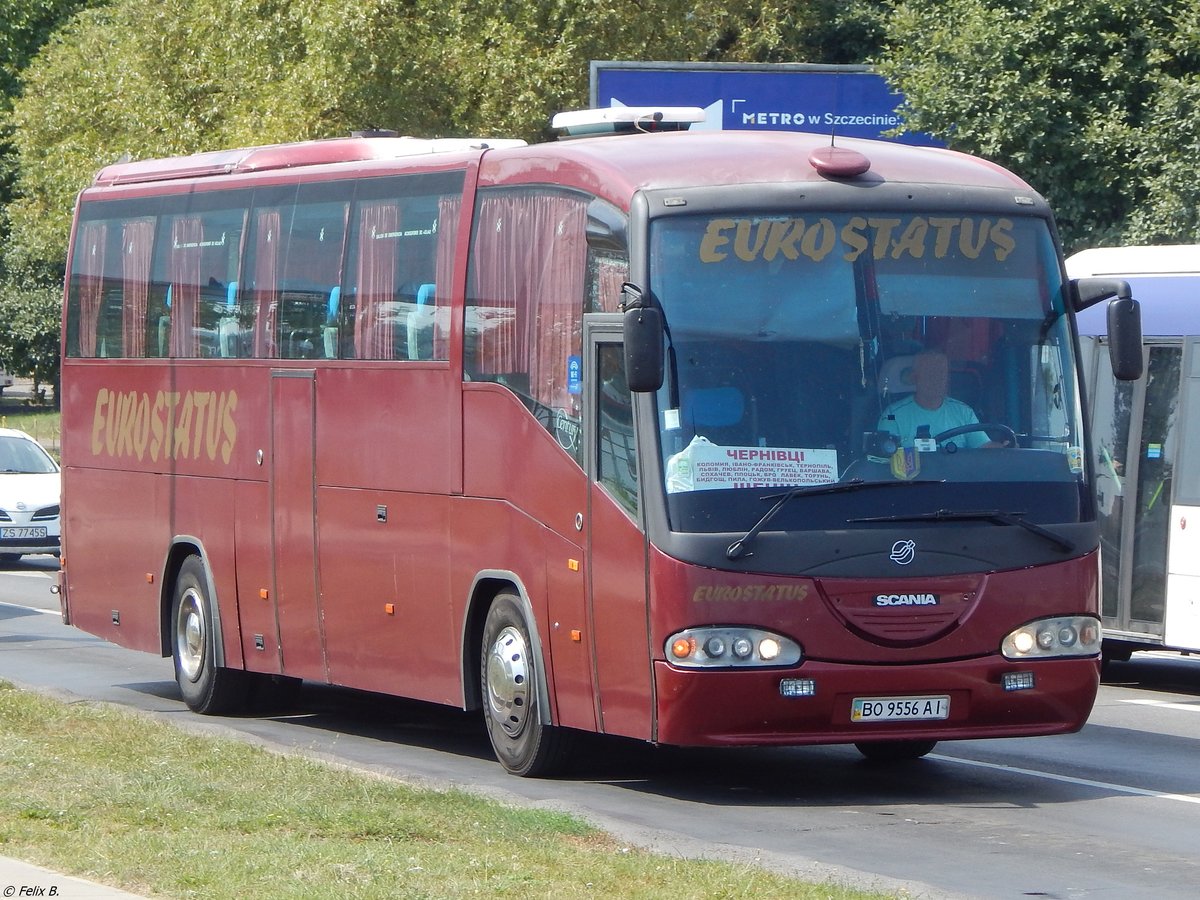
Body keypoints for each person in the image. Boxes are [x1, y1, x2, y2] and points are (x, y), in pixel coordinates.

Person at [877, 350, 999, 449]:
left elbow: (985, 448)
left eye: (941, 373)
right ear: (915, 378)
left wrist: (1006, 451)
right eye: (930, 373)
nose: (937, 379)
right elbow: (884, 459)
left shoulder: (964, 413)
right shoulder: (893, 416)